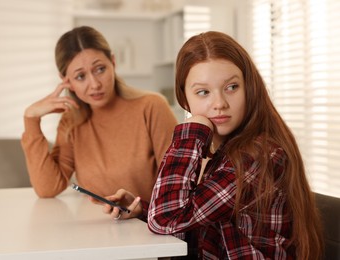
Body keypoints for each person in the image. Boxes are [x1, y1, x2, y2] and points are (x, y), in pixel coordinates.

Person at [102, 31, 323, 259]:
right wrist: (144, 211)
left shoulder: (259, 155)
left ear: (249, 88)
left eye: (232, 87)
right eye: (203, 92)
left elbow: (166, 219)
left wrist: (193, 130)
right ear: (185, 99)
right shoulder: (228, 151)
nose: (219, 103)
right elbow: (197, 221)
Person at [21, 26, 178, 204]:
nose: (95, 84)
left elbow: (178, 184)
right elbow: (48, 188)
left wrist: (140, 210)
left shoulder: (152, 107)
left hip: (151, 227)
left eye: (100, 69)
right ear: (67, 81)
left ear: (113, 62)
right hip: (98, 228)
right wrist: (31, 119)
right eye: (80, 76)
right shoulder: (71, 122)